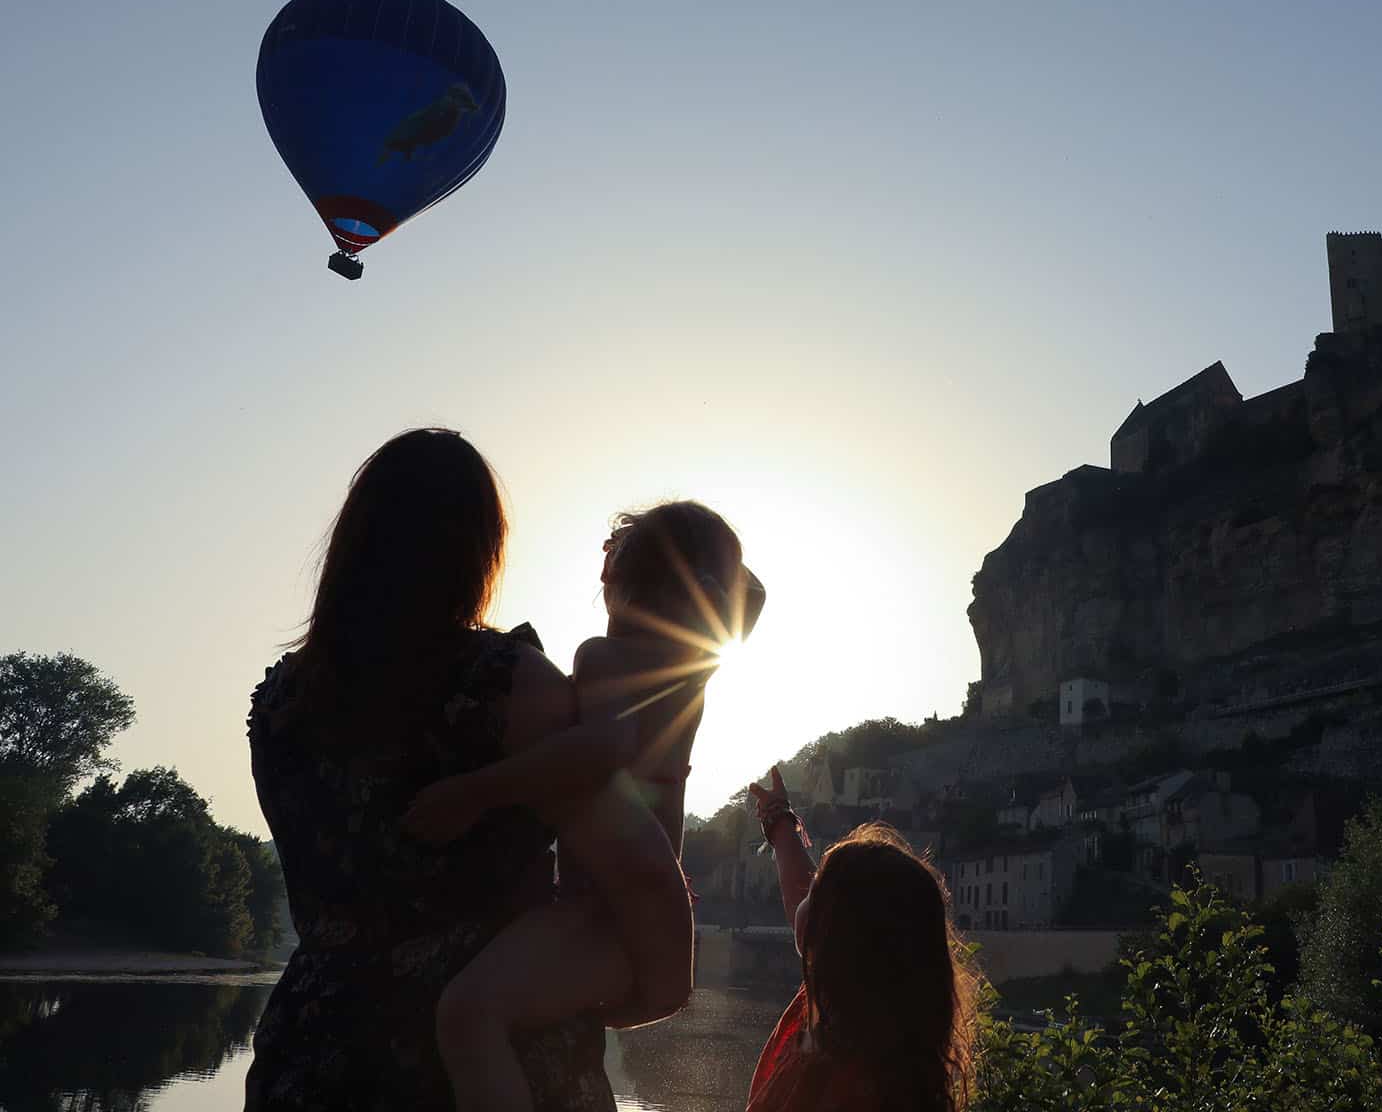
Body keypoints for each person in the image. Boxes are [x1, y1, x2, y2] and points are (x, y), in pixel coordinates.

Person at [245, 428, 686, 1112]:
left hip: (315, 1056)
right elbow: (642, 869)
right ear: (479, 549)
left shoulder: (278, 706)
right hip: (486, 1068)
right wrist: (654, 990)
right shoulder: (507, 689)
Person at [401, 500, 765, 1112]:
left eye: (609, 564)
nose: (601, 578)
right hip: (648, 914)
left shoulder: (603, 657)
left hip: (608, 913)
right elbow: (751, 597)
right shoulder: (695, 668)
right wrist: (678, 559)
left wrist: (472, 791)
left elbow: (600, 748)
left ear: (620, 584)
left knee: (469, 1017)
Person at [744, 768, 979, 1112]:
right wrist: (780, 823)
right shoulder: (870, 1028)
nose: (806, 891)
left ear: (838, 938)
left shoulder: (847, 1083)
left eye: (818, 886)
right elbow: (804, 906)